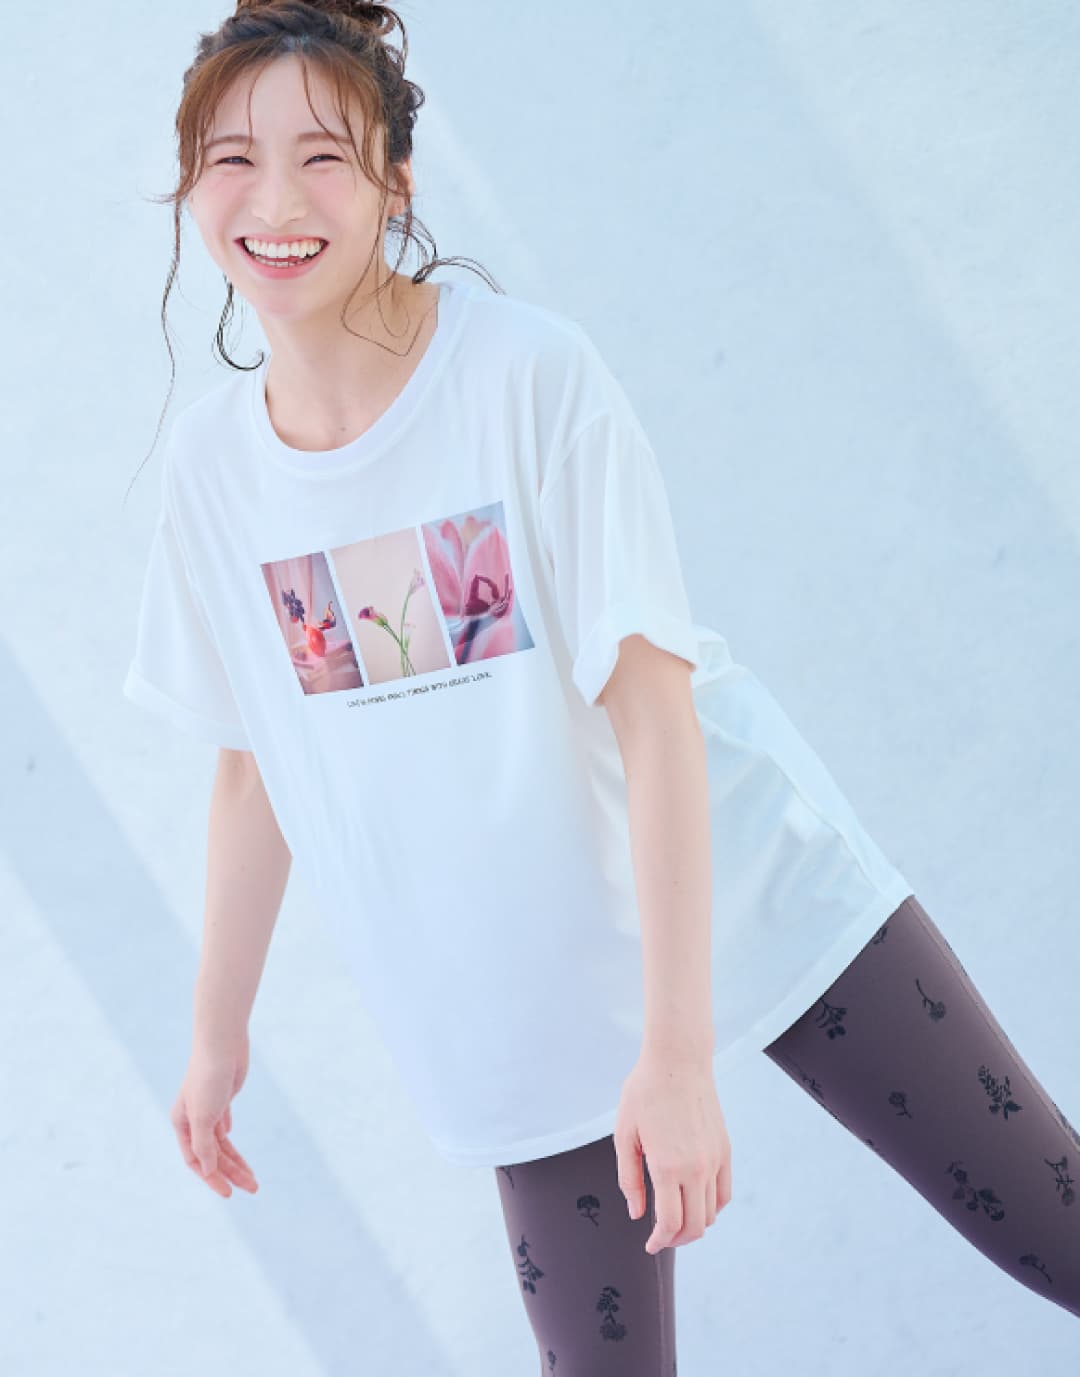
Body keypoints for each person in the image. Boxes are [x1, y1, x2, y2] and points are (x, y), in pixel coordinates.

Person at [122, 1, 1080, 1368]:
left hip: (743, 885)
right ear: (187, 184)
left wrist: (676, 1057)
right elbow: (252, 760)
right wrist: (216, 1036)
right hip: (523, 993)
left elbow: (655, 709)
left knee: (1056, 1224)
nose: (274, 202)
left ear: (398, 180)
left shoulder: (525, 377)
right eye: (232, 158)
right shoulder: (214, 473)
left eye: (323, 156)